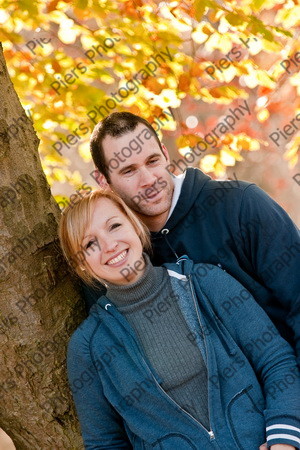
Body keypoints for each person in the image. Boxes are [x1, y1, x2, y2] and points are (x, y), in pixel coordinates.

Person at [59, 189, 300, 449]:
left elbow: (276, 361)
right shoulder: (89, 346)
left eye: (114, 226)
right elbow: (104, 443)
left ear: (136, 226)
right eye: (90, 244)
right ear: (81, 264)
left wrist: (283, 441)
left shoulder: (207, 283)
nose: (109, 245)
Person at [86, 112, 300, 365]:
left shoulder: (240, 204)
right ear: (103, 180)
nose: (149, 180)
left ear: (165, 154)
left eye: (152, 161)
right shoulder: (114, 256)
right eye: (129, 171)